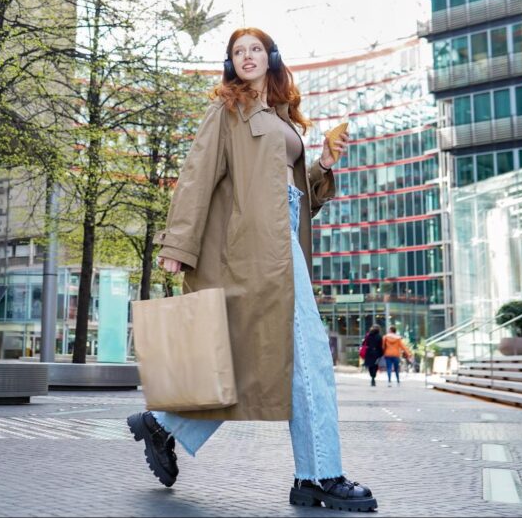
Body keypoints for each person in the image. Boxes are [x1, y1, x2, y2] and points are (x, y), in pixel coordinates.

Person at [127, 27, 376, 512]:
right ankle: (319, 474)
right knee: (307, 358)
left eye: (255, 49)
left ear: (271, 58)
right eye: (238, 51)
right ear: (231, 62)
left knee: (253, 362)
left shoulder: (281, 118)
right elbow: (198, 175)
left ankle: (162, 425)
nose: (246, 56)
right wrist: (179, 243)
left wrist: (322, 164)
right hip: (248, 249)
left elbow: (297, 196)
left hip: (284, 242)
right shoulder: (228, 108)